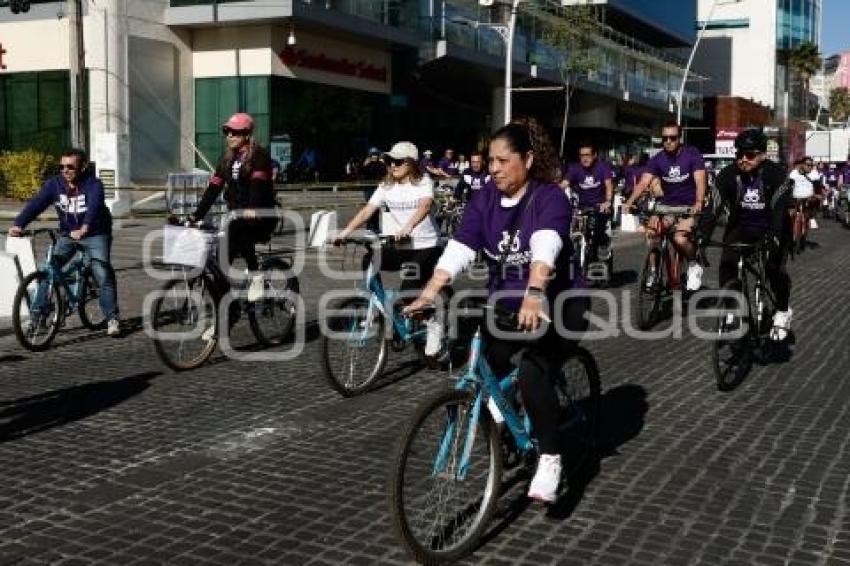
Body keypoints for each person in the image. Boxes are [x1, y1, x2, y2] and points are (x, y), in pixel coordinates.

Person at [406, 118, 587, 504]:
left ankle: (551, 457)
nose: (495, 169)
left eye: (504, 161)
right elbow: (459, 248)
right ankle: (508, 427)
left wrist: (535, 292)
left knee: (532, 374)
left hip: (559, 300)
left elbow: (546, 245)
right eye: (491, 161)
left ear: (528, 159)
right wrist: (429, 293)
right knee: (489, 363)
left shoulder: (549, 197)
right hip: (506, 301)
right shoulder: (484, 197)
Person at [334, 141, 444, 355]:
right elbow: (368, 210)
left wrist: (409, 226)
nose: (392, 165)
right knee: (370, 259)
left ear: (411, 163)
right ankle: (380, 306)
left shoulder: (423, 182)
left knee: (408, 291)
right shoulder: (386, 185)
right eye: (389, 161)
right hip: (401, 245)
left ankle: (432, 322)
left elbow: (425, 205)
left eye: (398, 161)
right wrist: (345, 232)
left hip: (425, 246)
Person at [9, 148, 121, 336]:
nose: (65, 170)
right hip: (69, 233)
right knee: (48, 269)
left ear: (83, 167)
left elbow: (94, 207)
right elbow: (37, 204)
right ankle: (38, 318)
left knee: (102, 272)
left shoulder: (93, 184)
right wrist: (19, 224)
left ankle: (112, 318)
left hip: (96, 233)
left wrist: (85, 227)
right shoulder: (55, 184)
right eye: (61, 166)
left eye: (70, 167)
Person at [710, 130, 793, 339]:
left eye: (749, 155)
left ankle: (783, 310)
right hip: (741, 228)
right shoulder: (728, 174)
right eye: (739, 155)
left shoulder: (777, 174)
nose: (743, 160)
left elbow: (779, 211)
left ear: (763, 155)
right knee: (728, 263)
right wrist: (701, 235)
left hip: (772, 227)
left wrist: (774, 237)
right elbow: (713, 208)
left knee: (774, 267)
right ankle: (731, 309)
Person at [189, 112, 277, 301]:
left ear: (247, 134)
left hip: (261, 216)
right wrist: (195, 216)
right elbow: (213, 188)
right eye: (227, 131)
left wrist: (252, 208)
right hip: (236, 217)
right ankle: (227, 311)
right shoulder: (227, 159)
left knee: (238, 227)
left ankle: (256, 275)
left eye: (235, 132)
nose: (229, 136)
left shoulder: (259, 156)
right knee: (220, 265)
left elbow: (258, 186)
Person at [625, 121, 707, 291]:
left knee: (679, 238)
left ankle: (693, 264)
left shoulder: (692, 155)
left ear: (680, 138)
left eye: (673, 137)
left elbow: (700, 180)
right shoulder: (657, 159)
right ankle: (654, 272)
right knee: (652, 233)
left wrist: (699, 202)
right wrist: (629, 201)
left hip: (688, 207)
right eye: (664, 138)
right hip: (666, 207)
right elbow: (643, 183)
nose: (668, 141)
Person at [563, 141, 614, 260]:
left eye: (587, 155)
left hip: (600, 206)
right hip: (582, 207)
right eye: (582, 155)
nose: (584, 158)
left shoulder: (603, 167)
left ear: (594, 155)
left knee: (598, 231)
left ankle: (602, 244)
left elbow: (608, 185)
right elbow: (564, 184)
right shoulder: (574, 168)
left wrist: (608, 201)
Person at [361, 147, 387, 234]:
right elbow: (360, 174)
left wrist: (384, 164)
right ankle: (369, 227)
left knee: (377, 208)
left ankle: (376, 227)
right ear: (369, 156)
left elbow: (385, 173)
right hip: (369, 189)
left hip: (378, 189)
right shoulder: (366, 164)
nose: (374, 157)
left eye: (376, 155)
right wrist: (364, 166)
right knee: (370, 208)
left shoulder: (381, 164)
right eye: (372, 155)